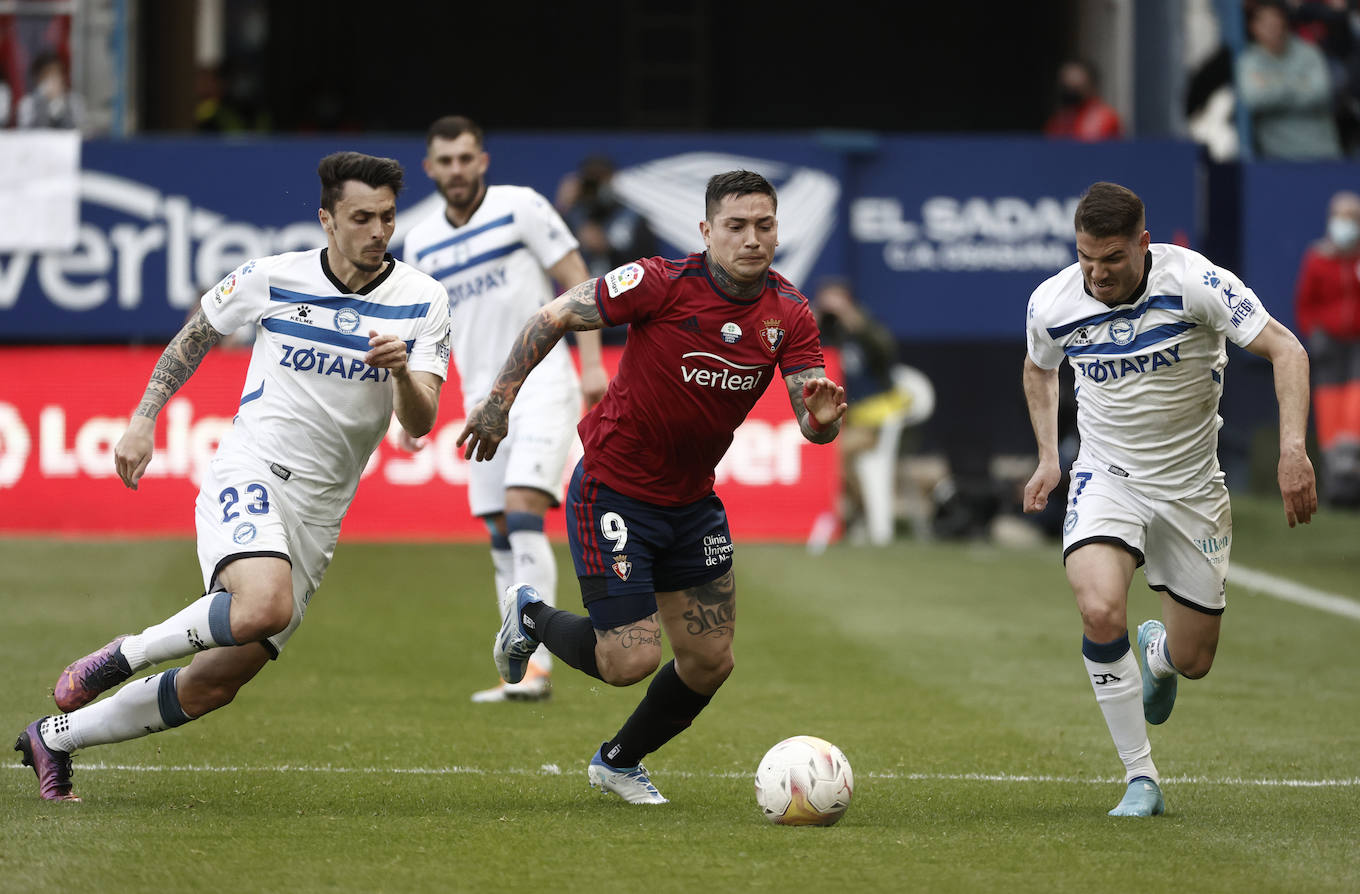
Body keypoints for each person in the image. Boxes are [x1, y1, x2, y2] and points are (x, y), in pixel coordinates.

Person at [13, 152, 451, 801]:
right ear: (327, 219)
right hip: (251, 471)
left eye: (386, 217)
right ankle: (121, 655)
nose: (377, 231)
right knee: (262, 603)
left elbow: (423, 419)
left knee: (216, 681)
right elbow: (194, 337)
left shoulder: (421, 299)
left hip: (320, 514)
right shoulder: (272, 276)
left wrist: (401, 372)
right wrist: (142, 418)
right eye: (361, 217)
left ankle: (55, 737)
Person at [457, 170, 847, 804]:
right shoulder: (660, 282)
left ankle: (617, 762)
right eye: (736, 226)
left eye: (765, 225)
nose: (752, 239)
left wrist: (822, 423)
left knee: (710, 660)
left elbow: (812, 421)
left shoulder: (790, 314)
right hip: (615, 489)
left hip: (692, 504)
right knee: (627, 662)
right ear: (706, 230)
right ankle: (529, 611)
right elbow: (553, 314)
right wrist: (499, 402)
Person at [1022, 181, 1317, 818]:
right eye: (1085, 259)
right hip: (1107, 477)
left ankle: (1158, 654)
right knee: (1100, 610)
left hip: (1192, 490)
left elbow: (1286, 349)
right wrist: (1051, 456)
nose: (1096, 274)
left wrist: (1292, 450)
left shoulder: (1196, 284)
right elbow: (1040, 366)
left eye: (1111, 259)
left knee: (1194, 659)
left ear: (1143, 244)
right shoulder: (1052, 301)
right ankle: (1141, 779)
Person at [402, 116, 607, 703]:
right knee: (497, 529)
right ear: (431, 169)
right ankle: (516, 665)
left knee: (522, 510)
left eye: (466, 158)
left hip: (542, 386)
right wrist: (406, 415)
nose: (457, 170)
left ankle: (538, 666)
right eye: (446, 161)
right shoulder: (420, 242)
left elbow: (576, 280)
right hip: (479, 402)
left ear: (482, 161)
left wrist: (592, 362)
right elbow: (424, 335)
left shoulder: (520, 207)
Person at [811, 278, 909, 542]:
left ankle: (855, 514)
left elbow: (887, 352)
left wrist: (855, 322)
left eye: (838, 299)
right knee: (824, 453)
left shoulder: (863, 328)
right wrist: (813, 321)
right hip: (841, 419)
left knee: (833, 454)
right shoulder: (824, 333)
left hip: (874, 421)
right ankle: (857, 512)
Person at [1294, 190, 1360, 509]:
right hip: (1330, 347)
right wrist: (1315, 333)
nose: (1345, 225)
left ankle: (1357, 482)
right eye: (1340, 217)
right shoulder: (1317, 257)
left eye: (1351, 218)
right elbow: (1305, 304)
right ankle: (1335, 485)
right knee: (1330, 412)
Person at [1236, 0, 1344, 159]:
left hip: (1323, 151)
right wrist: (1299, 84)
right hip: (1277, 157)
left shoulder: (1309, 53)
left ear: (1284, 23)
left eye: (1275, 22)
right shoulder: (1249, 61)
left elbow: (1321, 92)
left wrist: (1272, 84)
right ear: (1254, 27)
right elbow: (1254, 98)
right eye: (1265, 23)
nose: (1271, 29)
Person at [555, 154, 659, 278]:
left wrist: (608, 248)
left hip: (624, 291)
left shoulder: (632, 216)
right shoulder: (576, 216)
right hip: (583, 291)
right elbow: (549, 250)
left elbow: (650, 267)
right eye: (591, 181)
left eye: (601, 179)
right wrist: (562, 206)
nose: (598, 187)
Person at [1043, 58, 1123, 141]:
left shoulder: (1105, 119)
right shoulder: (1057, 122)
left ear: (1090, 86)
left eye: (1076, 86)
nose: (1070, 90)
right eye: (1066, 85)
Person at [16, 49, 84, 130]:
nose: (52, 80)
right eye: (47, 75)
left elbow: (79, 131)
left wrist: (59, 104)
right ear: (38, 79)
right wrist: (42, 103)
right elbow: (25, 133)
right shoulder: (27, 104)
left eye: (56, 74)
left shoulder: (74, 101)